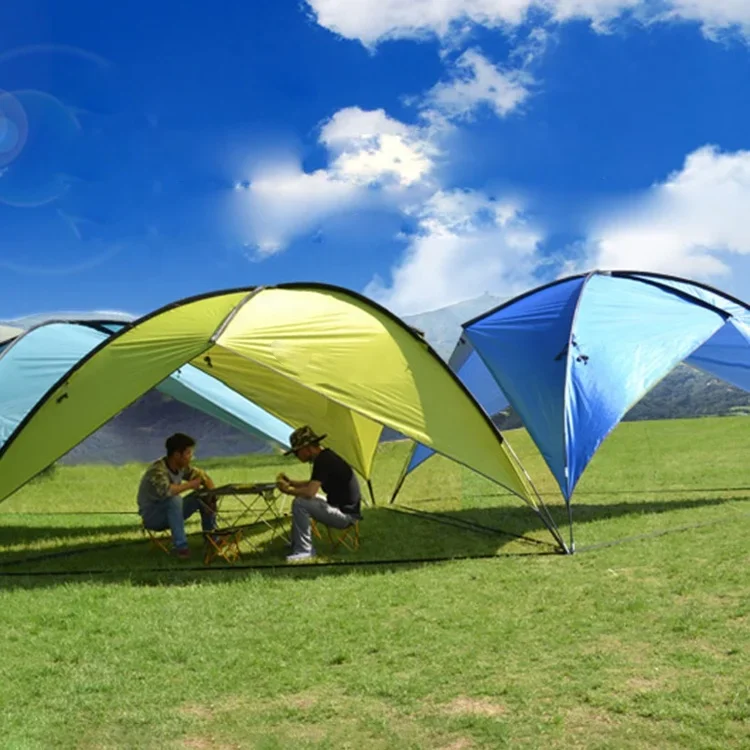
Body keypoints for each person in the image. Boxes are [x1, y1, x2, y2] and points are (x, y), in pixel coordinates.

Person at [276, 426, 362, 561]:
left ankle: (304, 551)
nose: (297, 456)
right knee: (301, 499)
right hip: (339, 507)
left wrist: (287, 490)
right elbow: (313, 483)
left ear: (307, 448)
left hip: (346, 516)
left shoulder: (323, 460)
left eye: (297, 452)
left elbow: (310, 492)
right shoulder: (324, 457)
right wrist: (291, 482)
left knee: (300, 503)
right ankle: (296, 543)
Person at [137, 432, 217, 559]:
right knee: (174, 500)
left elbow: (203, 477)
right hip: (153, 516)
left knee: (202, 496)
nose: (192, 457)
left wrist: (212, 495)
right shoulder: (157, 470)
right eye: (188, 453)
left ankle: (212, 539)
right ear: (176, 455)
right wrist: (191, 484)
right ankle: (181, 548)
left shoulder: (182, 467)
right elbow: (168, 491)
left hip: (172, 512)